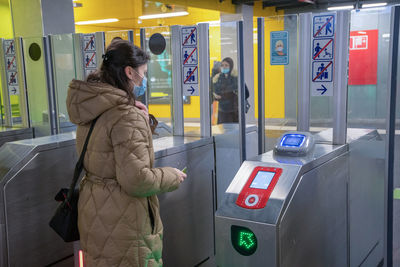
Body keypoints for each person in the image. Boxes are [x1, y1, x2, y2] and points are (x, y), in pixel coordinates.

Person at [66, 40, 186, 267]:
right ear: (129, 72)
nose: (144, 81)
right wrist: (171, 175)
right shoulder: (125, 115)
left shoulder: (92, 107)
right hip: (124, 220)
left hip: (94, 210)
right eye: (143, 74)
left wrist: (142, 119)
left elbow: (111, 151)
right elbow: (136, 180)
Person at [212, 57, 250, 123]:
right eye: (222, 65)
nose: (224, 67)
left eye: (226, 65)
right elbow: (215, 91)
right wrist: (215, 95)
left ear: (231, 66)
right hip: (222, 111)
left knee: (235, 130)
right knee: (223, 130)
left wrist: (235, 95)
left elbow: (246, 93)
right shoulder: (218, 78)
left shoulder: (236, 78)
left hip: (234, 110)